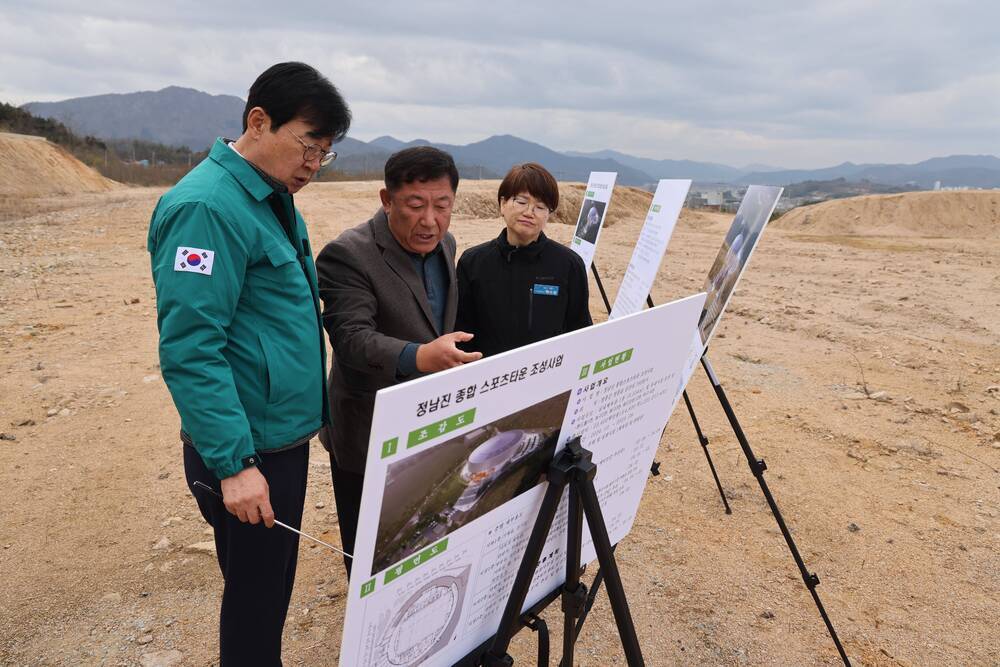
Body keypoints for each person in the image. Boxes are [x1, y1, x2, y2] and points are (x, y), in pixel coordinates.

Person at [147, 62, 350, 665]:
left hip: (276, 438)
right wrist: (234, 465)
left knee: (261, 593)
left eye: (326, 153)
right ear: (259, 122)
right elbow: (190, 347)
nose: (314, 164)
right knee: (256, 607)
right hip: (248, 448)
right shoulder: (207, 209)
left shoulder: (270, 198)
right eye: (308, 145)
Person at [316, 146, 481, 574]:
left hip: (431, 420)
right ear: (386, 200)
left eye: (442, 206)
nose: (430, 220)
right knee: (369, 550)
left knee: (424, 528)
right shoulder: (347, 254)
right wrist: (419, 356)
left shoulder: (446, 243)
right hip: (368, 427)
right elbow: (351, 339)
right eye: (415, 205)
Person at [456, 162, 592, 357]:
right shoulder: (473, 262)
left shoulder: (569, 264)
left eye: (540, 206)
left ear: (548, 215)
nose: (530, 212)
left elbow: (579, 330)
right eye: (521, 202)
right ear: (503, 204)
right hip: (489, 378)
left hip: (548, 375)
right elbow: (462, 330)